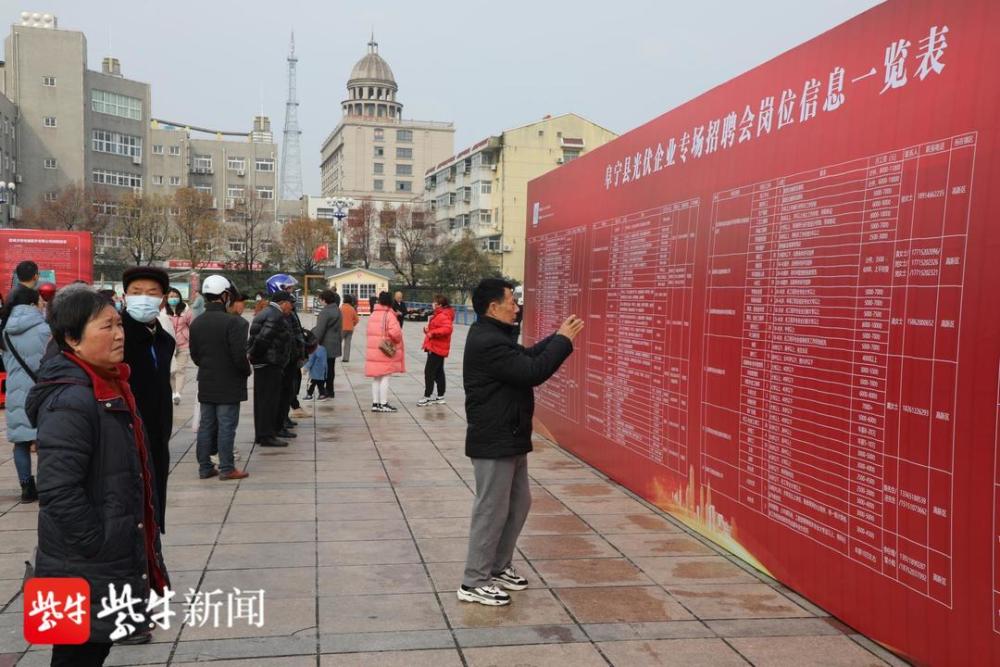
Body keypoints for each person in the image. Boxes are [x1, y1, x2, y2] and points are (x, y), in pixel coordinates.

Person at [27, 285, 170, 664]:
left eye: (119, 324)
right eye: (106, 327)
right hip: (85, 559)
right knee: (78, 655)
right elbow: (58, 489)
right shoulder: (72, 398)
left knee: (90, 650)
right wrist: (99, 541)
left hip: (104, 554)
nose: (119, 334)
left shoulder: (108, 384)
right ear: (71, 339)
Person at [457, 278, 583, 607]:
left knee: (518, 503)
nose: (517, 307)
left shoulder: (496, 337)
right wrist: (563, 343)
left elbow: (525, 358)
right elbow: (532, 372)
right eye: (511, 301)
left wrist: (557, 337)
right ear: (493, 307)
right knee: (491, 509)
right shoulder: (487, 341)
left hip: (510, 436)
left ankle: (497, 566)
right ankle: (474, 580)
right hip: (494, 438)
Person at [121, 266, 175, 534]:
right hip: (124, 436)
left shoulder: (164, 340)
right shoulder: (116, 336)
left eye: (152, 293)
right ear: (125, 296)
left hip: (157, 435)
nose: (144, 298)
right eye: (136, 292)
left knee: (154, 504)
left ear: (163, 299)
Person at [189, 275, 251, 481]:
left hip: (206, 381)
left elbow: (195, 355)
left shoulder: (197, 322)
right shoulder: (235, 323)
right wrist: (246, 371)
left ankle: (205, 467)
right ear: (225, 296)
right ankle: (226, 467)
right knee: (226, 425)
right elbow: (239, 356)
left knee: (207, 425)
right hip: (229, 383)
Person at [3, 287, 49, 502]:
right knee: (46, 440)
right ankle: (46, 484)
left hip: (14, 390)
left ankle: (26, 487)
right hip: (41, 391)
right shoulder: (44, 329)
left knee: (20, 441)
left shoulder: (4, 329)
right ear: (32, 304)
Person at [247, 291, 294, 447]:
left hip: (264, 363)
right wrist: (254, 355)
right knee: (269, 400)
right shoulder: (275, 315)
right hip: (269, 363)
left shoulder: (267, 312)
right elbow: (263, 339)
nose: (291, 307)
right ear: (283, 303)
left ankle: (262, 434)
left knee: (262, 400)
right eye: (290, 303)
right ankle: (267, 435)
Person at [365, 291, 404, 413]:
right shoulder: (389, 315)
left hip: (374, 349)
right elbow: (395, 333)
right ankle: (384, 403)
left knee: (376, 378)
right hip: (385, 350)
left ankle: (375, 403)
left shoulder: (373, 314)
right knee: (386, 376)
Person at [418, 294, 455, 406]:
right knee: (439, 372)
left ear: (439, 304)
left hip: (437, 348)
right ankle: (440, 396)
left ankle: (427, 396)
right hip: (436, 346)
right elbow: (438, 328)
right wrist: (428, 330)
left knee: (429, 372)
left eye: (434, 302)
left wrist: (432, 332)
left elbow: (447, 329)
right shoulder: (439, 314)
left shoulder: (443, 315)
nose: (432, 304)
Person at [163, 288, 194, 405]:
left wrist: (188, 337)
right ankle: (172, 392)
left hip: (183, 344)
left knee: (180, 369)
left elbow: (192, 325)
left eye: (176, 296)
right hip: (168, 345)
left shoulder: (186, 310)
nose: (173, 298)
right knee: (171, 371)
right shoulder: (163, 311)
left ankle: (178, 394)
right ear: (167, 298)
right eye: (171, 296)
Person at [312, 290, 342, 398]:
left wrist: (313, 342)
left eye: (320, 299)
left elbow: (320, 330)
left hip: (325, 344)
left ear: (324, 300)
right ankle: (330, 390)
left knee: (322, 369)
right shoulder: (337, 310)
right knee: (331, 369)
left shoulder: (325, 312)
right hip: (334, 343)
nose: (319, 301)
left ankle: (323, 391)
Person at [340, 294, 360, 363]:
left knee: (338, 342)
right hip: (350, 329)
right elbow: (357, 320)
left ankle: (336, 355)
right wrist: (352, 324)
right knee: (347, 344)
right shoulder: (352, 309)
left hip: (342, 328)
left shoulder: (341, 308)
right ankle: (346, 358)